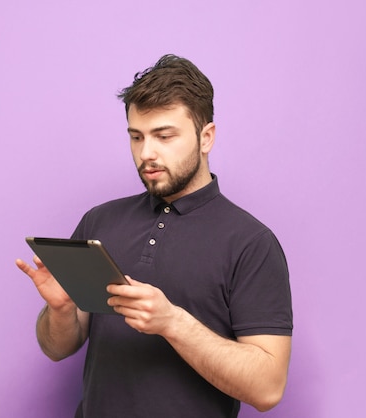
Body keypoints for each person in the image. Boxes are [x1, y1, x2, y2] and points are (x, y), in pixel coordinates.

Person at [16, 54, 293, 418]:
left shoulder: (251, 243)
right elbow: (56, 347)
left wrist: (172, 323)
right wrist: (62, 310)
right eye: (136, 137)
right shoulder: (99, 221)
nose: (147, 153)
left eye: (164, 136)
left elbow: (267, 389)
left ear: (206, 137)